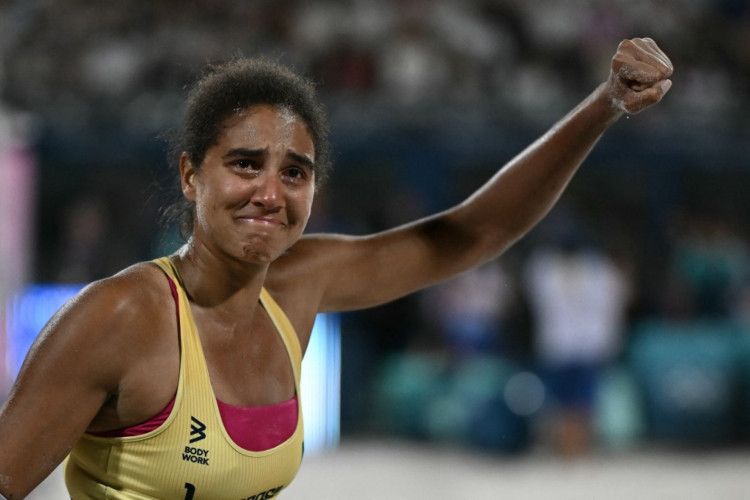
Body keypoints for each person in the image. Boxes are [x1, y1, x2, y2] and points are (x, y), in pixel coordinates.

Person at [0, 37, 672, 499]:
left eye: (295, 172)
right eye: (245, 163)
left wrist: (604, 104)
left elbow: (473, 231)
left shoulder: (300, 285)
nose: (271, 191)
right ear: (188, 174)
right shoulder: (121, 316)